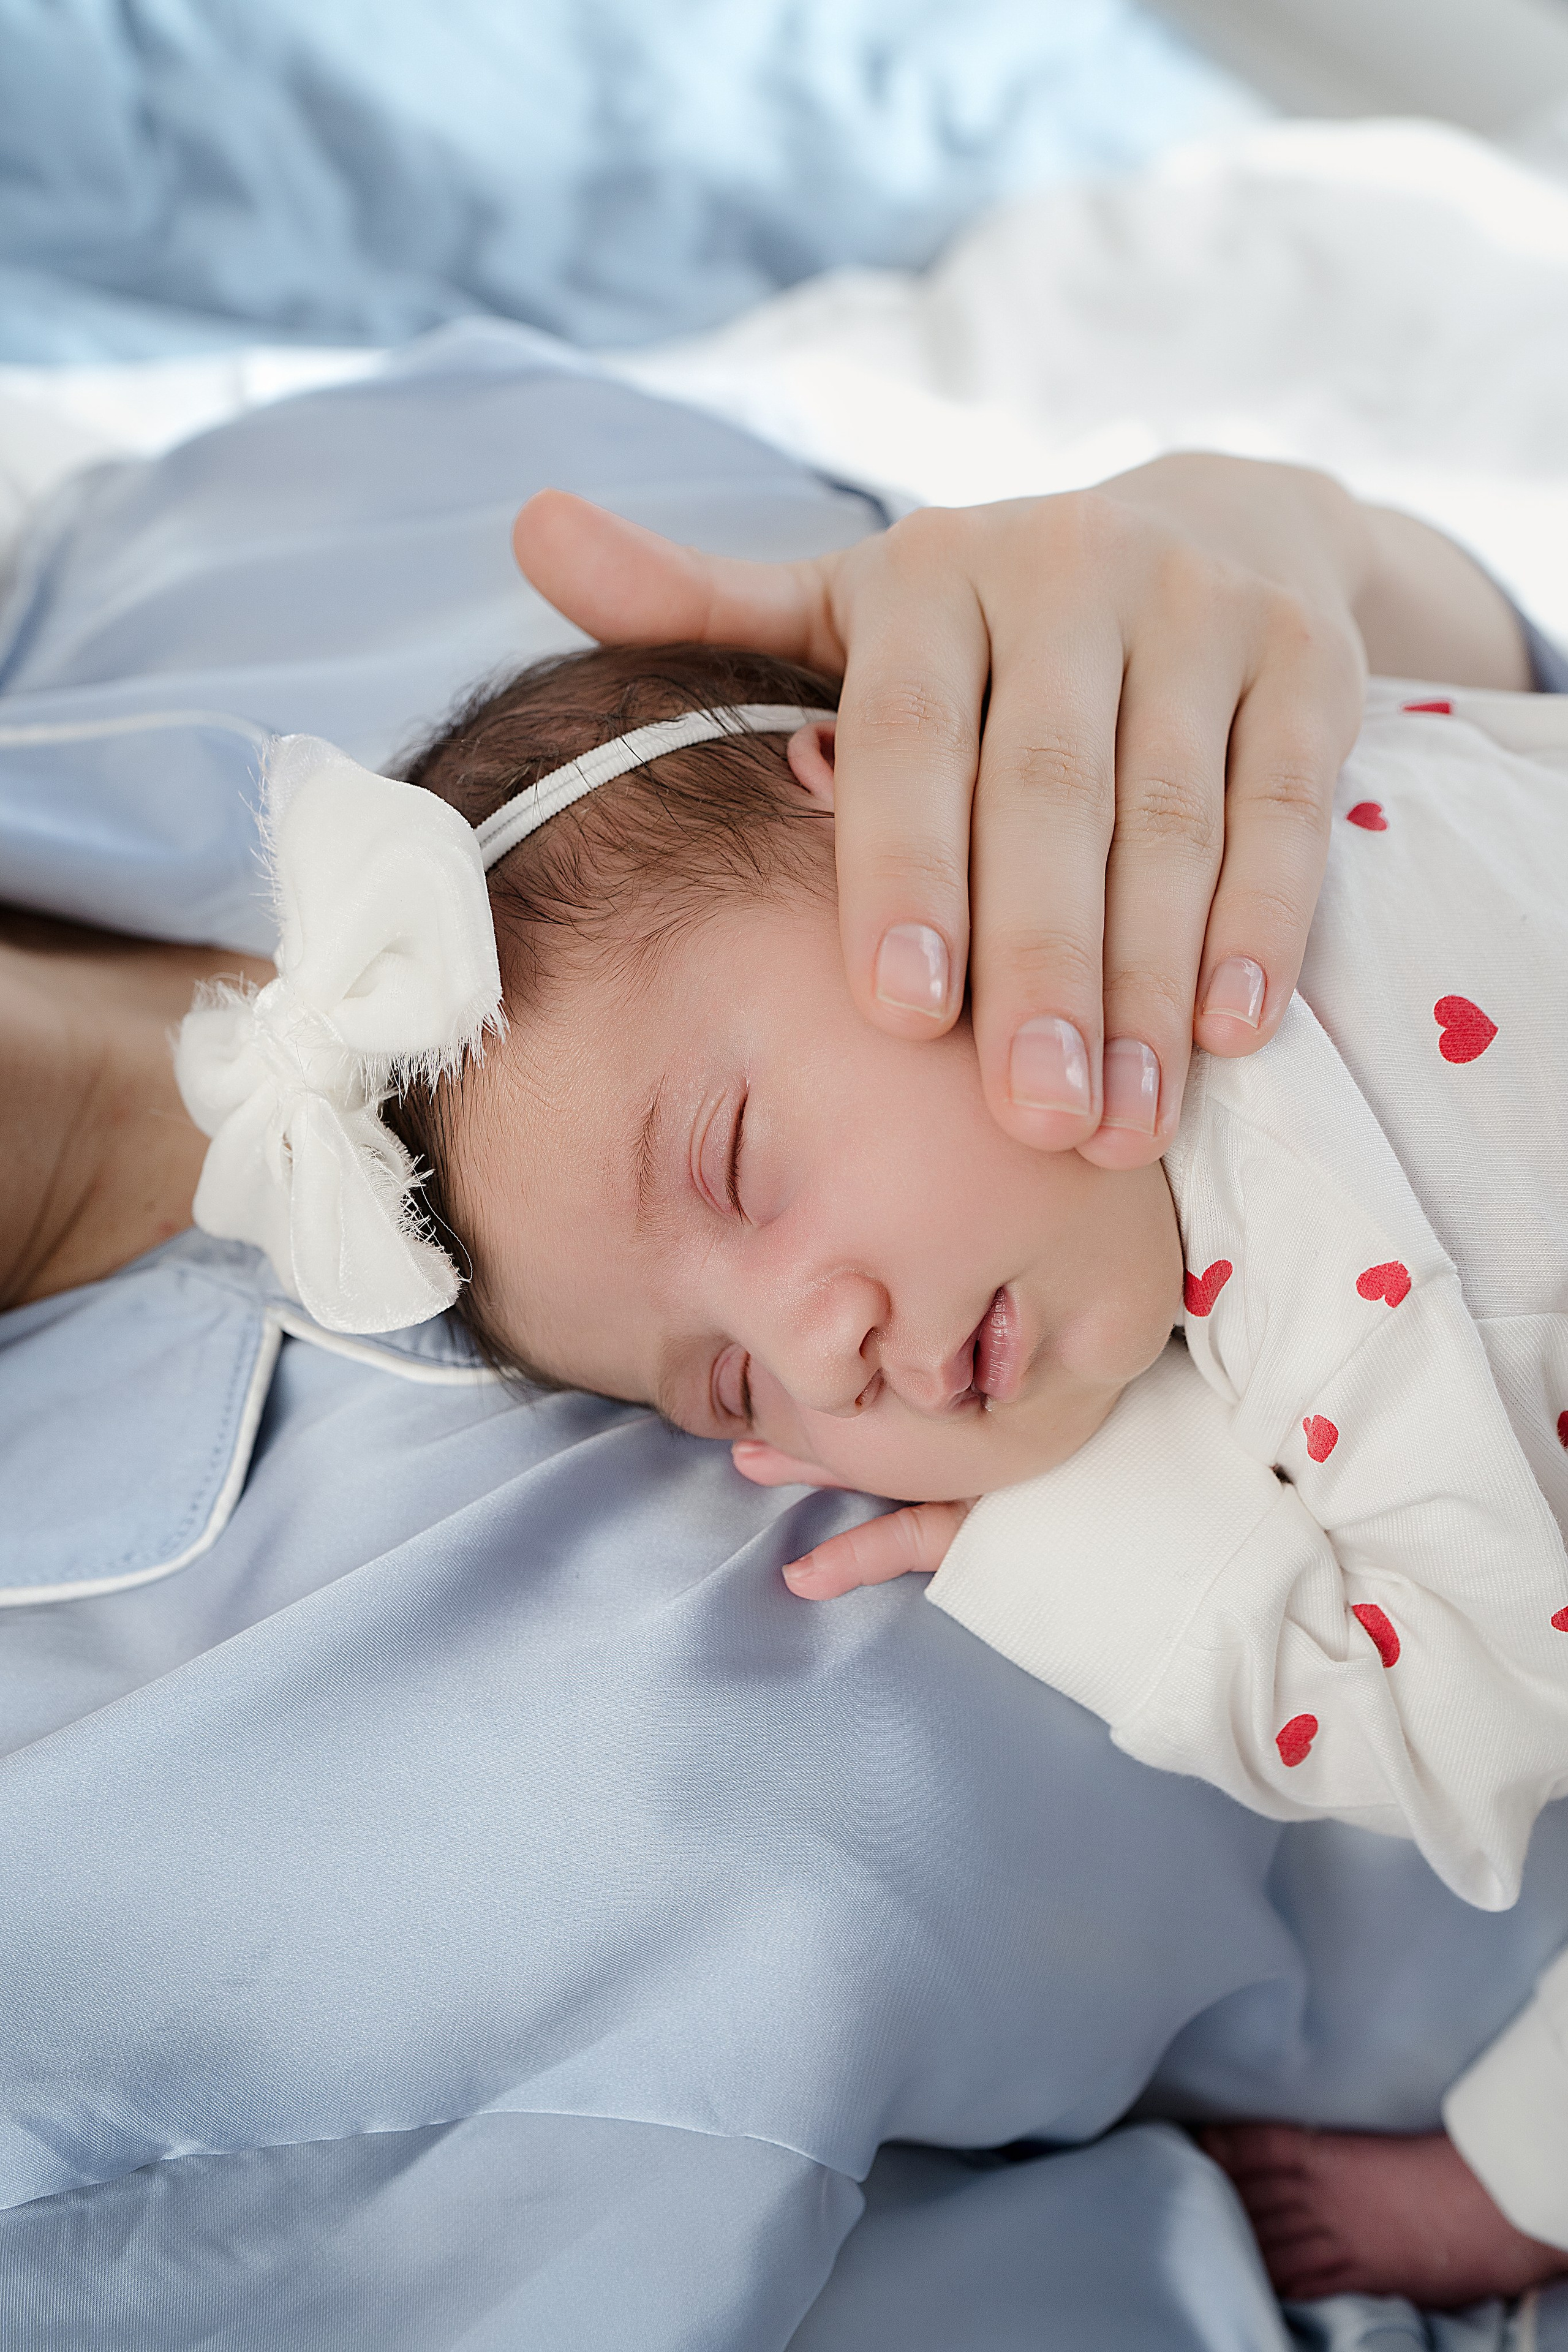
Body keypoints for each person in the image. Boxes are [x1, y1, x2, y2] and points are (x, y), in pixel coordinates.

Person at [3, 326, 1566, 2338]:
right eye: (731, 1393)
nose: (819, 1349)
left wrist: (1314, 556)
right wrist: (1068, 1541)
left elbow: (1479, 699)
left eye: (742, 1166)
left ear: (867, 798)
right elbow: (1459, 1702)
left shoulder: (272, 539)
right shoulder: (1345, 1373)